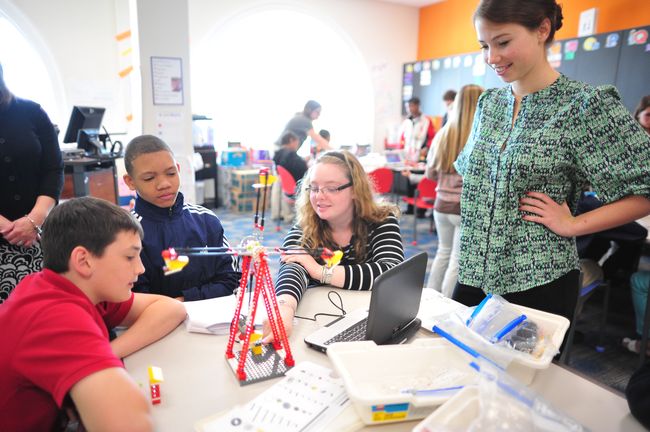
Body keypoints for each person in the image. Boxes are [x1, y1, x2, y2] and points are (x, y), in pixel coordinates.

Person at [452, 0, 650, 322]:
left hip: (537, 280)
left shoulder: (584, 106)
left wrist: (573, 224)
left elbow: (645, 188)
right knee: (454, 366)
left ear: (542, 29)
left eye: (503, 42)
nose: (492, 58)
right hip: (474, 272)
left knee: (519, 374)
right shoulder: (488, 105)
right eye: (484, 45)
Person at [0, 197, 186, 431]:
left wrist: (105, 354)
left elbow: (171, 309)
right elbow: (128, 421)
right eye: (130, 257)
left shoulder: (75, 287)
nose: (141, 268)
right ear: (84, 261)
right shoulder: (54, 316)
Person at [265, 150, 404, 340]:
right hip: (324, 319)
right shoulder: (308, 224)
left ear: (355, 189)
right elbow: (292, 264)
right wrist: (284, 307)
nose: (319, 196)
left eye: (331, 188)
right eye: (314, 188)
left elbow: (391, 272)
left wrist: (321, 272)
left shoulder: (381, 220)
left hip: (371, 321)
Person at [123, 135, 241, 301]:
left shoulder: (206, 220)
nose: (164, 184)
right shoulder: (126, 233)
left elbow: (231, 279)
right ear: (130, 181)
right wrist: (173, 307)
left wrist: (186, 299)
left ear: (178, 169)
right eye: (149, 178)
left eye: (171, 173)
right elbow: (132, 296)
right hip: (156, 321)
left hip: (211, 319)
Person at [0, 63, 63, 302]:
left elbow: (53, 169)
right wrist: (8, 228)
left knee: (48, 309)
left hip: (41, 233)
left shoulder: (31, 111)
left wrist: (35, 218)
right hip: (10, 235)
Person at [425, 84, 484, 297]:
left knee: (442, 253)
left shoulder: (443, 134)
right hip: (464, 208)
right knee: (457, 260)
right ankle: (447, 304)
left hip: (441, 205)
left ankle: (430, 299)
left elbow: (429, 174)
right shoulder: (481, 136)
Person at [399, 97, 436, 217]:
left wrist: (427, 148)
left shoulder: (426, 121)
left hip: (421, 156)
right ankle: (410, 208)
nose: (411, 109)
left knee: (419, 182)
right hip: (409, 157)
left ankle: (420, 210)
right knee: (409, 181)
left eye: (413, 106)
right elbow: (403, 138)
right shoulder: (407, 121)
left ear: (418, 106)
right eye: (409, 107)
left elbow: (432, 138)